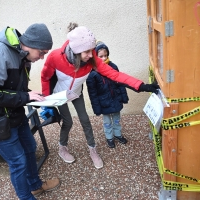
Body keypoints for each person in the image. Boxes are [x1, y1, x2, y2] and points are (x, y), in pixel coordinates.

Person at [40, 23, 159, 169]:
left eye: (92, 51)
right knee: (68, 122)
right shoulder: (54, 57)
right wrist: (47, 101)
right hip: (59, 95)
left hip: (76, 93)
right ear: (76, 50)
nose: (92, 55)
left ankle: (92, 149)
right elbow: (45, 78)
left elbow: (114, 74)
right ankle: (62, 147)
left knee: (85, 121)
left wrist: (141, 86)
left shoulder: (91, 59)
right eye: (87, 52)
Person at [0, 23, 60, 200]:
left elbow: (13, 90)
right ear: (31, 45)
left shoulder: (24, 58)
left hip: (13, 113)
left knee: (30, 148)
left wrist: (34, 96)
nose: (41, 58)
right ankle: (26, 197)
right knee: (18, 161)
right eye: (41, 53)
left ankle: (35, 186)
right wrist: (26, 97)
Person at [86, 41, 129, 148]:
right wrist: (96, 108)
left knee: (116, 120)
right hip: (104, 102)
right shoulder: (93, 73)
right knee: (107, 122)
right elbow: (93, 93)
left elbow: (120, 82)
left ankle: (118, 134)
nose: (104, 58)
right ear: (95, 57)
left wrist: (123, 96)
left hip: (116, 99)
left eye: (106, 55)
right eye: (101, 56)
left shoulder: (113, 66)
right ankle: (109, 137)